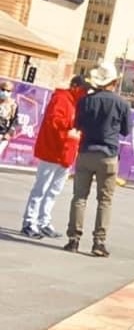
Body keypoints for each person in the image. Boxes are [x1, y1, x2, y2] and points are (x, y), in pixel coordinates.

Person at [64, 62, 131, 257]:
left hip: (85, 152)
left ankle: (73, 239)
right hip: (108, 155)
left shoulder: (85, 101)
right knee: (105, 201)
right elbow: (126, 131)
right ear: (115, 82)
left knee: (79, 197)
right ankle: (98, 242)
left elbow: (78, 125)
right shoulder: (122, 104)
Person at [20, 75, 88, 239]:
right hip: (52, 150)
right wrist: (72, 126)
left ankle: (43, 221)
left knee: (54, 191)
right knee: (41, 188)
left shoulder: (78, 104)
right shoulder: (61, 98)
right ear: (75, 86)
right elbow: (54, 121)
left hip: (66, 152)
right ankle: (30, 221)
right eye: (83, 89)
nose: (85, 92)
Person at [0, 80, 18, 158]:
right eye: (3, 90)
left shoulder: (13, 104)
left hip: (3, 132)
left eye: (8, 91)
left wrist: (9, 133)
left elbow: (14, 120)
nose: (5, 92)